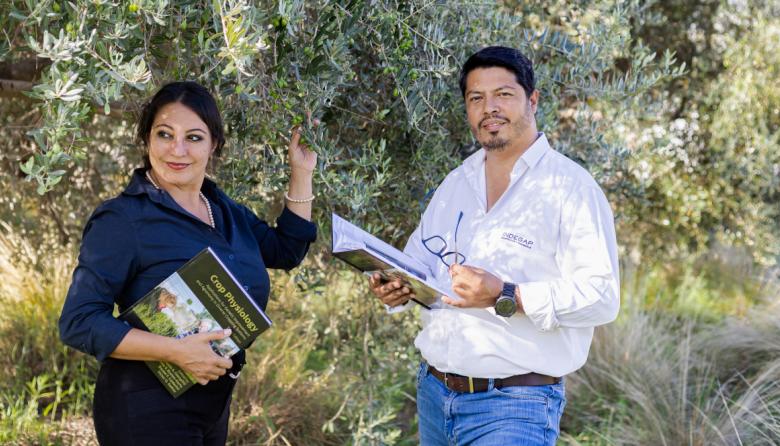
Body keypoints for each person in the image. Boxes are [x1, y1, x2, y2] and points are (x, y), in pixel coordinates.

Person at [369, 46, 620, 445]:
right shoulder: (455, 184)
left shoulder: (570, 188)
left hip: (515, 406)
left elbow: (602, 298)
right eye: (476, 98)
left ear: (532, 100)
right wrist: (396, 287)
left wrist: (505, 294)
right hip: (434, 396)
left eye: (503, 94)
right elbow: (419, 262)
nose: (490, 108)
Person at [59, 81, 317, 445]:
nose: (177, 150)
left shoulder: (223, 210)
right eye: (165, 134)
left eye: (193, 137)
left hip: (211, 405)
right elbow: (78, 322)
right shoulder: (123, 220)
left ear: (214, 144)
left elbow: (286, 250)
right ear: (146, 138)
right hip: (145, 409)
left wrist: (301, 173)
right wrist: (177, 352)